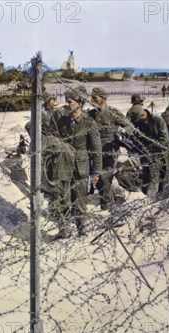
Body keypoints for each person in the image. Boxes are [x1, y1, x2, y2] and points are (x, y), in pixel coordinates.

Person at [47, 88, 102, 237]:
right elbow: (51, 134)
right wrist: (57, 144)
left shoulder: (89, 122)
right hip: (64, 165)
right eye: (67, 101)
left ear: (79, 103)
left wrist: (96, 172)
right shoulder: (62, 120)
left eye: (70, 102)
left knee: (80, 201)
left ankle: (82, 231)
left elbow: (97, 149)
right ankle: (64, 231)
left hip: (81, 166)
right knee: (62, 199)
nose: (67, 104)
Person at [87, 87, 132, 211]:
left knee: (104, 178)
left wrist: (124, 132)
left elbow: (128, 125)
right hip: (95, 154)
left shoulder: (113, 113)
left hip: (110, 152)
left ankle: (107, 208)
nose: (93, 100)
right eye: (92, 98)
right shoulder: (90, 115)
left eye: (95, 97)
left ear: (103, 98)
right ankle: (108, 204)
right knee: (101, 182)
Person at [128, 106, 169, 196]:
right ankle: (148, 200)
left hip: (164, 153)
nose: (136, 123)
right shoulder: (137, 123)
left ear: (143, 115)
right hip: (148, 155)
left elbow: (164, 141)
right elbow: (136, 141)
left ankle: (165, 201)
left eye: (137, 120)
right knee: (148, 179)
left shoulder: (157, 120)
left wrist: (146, 149)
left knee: (165, 180)